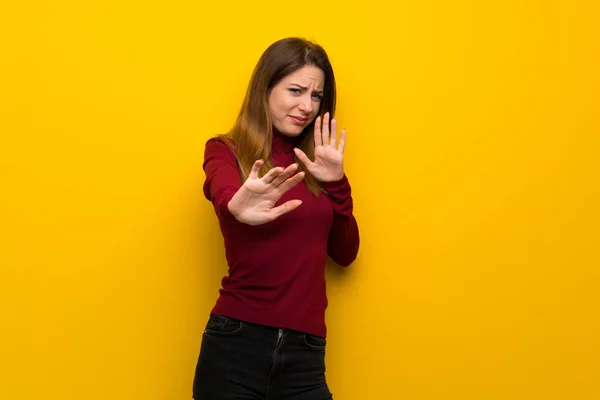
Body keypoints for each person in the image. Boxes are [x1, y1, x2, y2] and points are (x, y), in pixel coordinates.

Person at [193, 37, 360, 400]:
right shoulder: (226, 151)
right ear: (265, 89)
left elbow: (346, 254)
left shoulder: (318, 164)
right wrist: (236, 206)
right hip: (236, 344)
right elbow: (223, 192)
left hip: (306, 351)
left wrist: (337, 183)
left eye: (316, 96)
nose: (306, 106)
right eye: (296, 90)